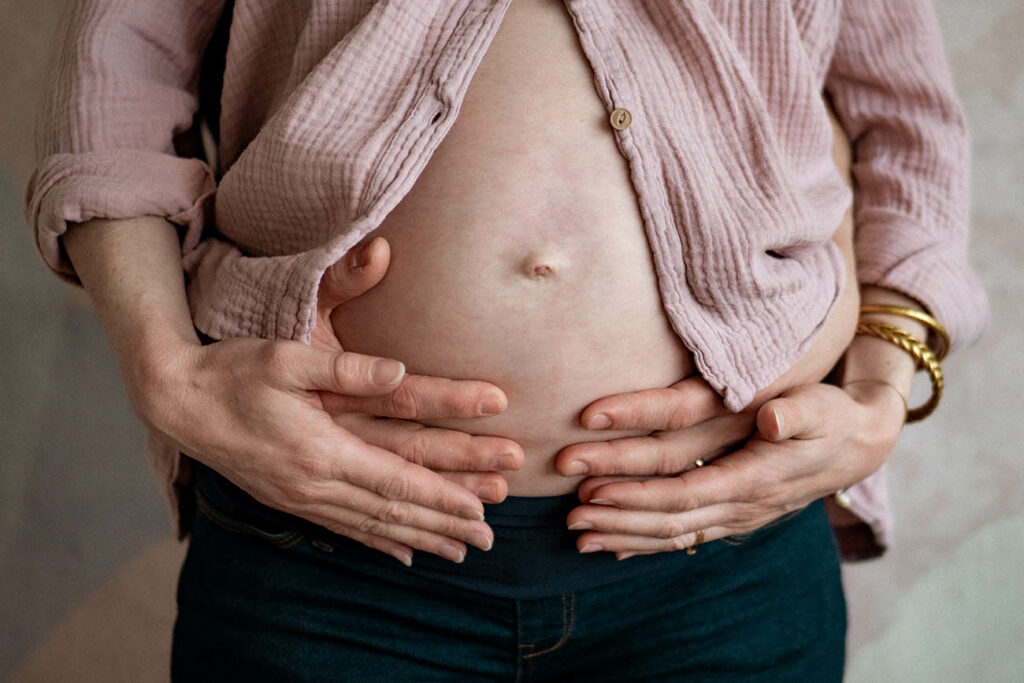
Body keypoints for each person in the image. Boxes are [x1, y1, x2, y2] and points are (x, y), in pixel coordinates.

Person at [26, 0, 988, 679]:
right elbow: (116, 78)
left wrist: (880, 396)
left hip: (722, 569)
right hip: (321, 556)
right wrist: (167, 373)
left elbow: (906, 122)